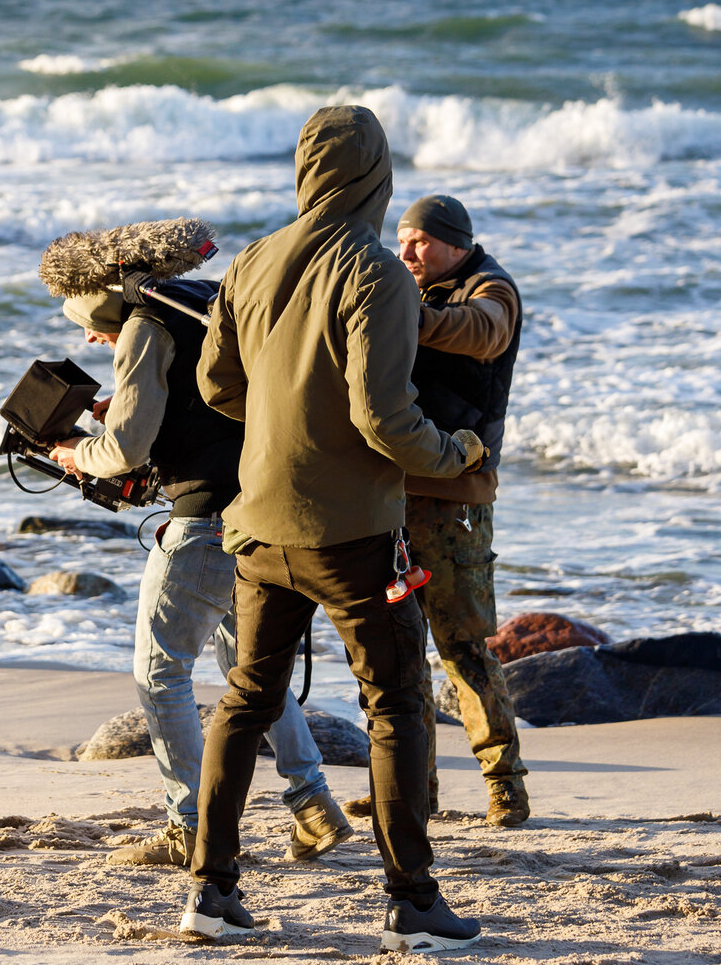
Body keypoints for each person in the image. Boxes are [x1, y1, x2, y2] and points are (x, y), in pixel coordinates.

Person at [182, 105, 486, 953]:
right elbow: (386, 419)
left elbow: (218, 387)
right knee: (396, 703)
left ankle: (210, 891)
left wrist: (284, 422)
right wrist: (455, 451)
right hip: (353, 537)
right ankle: (413, 903)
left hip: (256, 526)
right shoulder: (379, 273)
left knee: (244, 702)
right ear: (378, 178)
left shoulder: (251, 259)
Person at [44, 275, 352, 869]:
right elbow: (204, 414)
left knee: (159, 673)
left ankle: (186, 824)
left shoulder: (143, 324)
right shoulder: (202, 311)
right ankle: (313, 807)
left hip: (203, 522)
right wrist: (131, 416)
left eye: (85, 319)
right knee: (249, 672)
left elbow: (125, 452)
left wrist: (75, 452)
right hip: (259, 514)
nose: (87, 335)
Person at [393, 193, 528, 827]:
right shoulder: (409, 291)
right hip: (391, 495)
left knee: (463, 647)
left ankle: (505, 786)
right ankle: (414, 790)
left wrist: (408, 317)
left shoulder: (490, 288)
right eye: (401, 238)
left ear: (454, 242)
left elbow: (484, 332)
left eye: (418, 240)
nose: (406, 251)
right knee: (396, 651)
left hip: (456, 503)